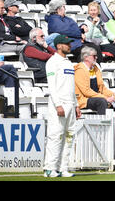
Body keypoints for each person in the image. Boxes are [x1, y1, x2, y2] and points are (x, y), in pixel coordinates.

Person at [44, 34, 81, 178]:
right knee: (55, 136)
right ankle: (49, 168)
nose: (69, 45)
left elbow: (71, 86)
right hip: (58, 105)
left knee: (69, 136)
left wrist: (76, 105)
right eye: (66, 44)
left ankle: (63, 168)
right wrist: (58, 105)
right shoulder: (53, 62)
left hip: (71, 104)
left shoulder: (68, 62)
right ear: (59, 46)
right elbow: (52, 87)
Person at [74, 46, 115, 114]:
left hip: (95, 97)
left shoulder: (96, 68)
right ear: (86, 57)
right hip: (83, 100)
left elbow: (102, 88)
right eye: (94, 56)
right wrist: (105, 97)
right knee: (101, 101)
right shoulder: (80, 70)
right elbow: (86, 91)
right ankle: (102, 124)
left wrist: (114, 95)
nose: (96, 57)